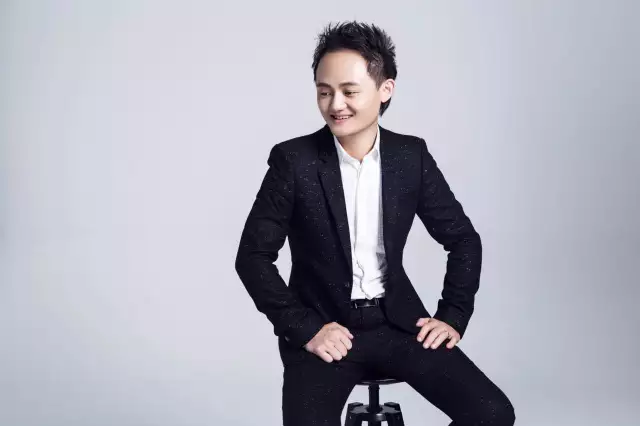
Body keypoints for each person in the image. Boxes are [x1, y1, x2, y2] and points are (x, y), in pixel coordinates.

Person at [235, 21, 515, 426]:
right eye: (324, 91)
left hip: (398, 324)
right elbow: (252, 257)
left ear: (385, 90)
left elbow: (463, 240)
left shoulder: (410, 157)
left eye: (349, 91)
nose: (335, 104)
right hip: (325, 329)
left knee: (492, 414)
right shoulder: (293, 161)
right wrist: (306, 328)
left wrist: (453, 315)